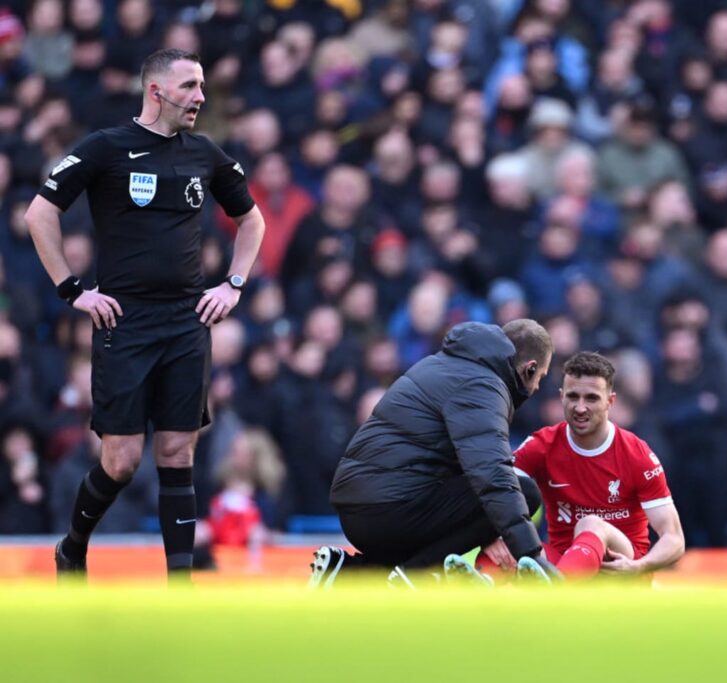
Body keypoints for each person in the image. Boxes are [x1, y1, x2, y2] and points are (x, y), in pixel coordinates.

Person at [25, 48, 265, 580]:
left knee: (178, 452)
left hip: (186, 319)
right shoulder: (106, 148)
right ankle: (72, 547)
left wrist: (234, 284)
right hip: (124, 321)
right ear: (156, 91)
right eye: (189, 86)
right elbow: (40, 213)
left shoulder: (204, 153)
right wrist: (73, 290)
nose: (200, 97)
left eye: (202, 85)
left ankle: (179, 585)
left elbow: (252, 221)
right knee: (122, 461)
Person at [310, 319, 556, 587]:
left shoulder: (445, 364)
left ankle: (348, 573)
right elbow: (493, 475)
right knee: (525, 492)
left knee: (496, 499)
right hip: (388, 508)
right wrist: (532, 556)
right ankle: (412, 576)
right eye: (540, 378)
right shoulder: (483, 385)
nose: (537, 389)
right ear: (529, 369)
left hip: (364, 505)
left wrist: (489, 531)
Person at [454, 351, 685, 582]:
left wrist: (639, 566)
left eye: (591, 398)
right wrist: (490, 536)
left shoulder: (637, 454)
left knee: (590, 523)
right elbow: (495, 488)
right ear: (562, 397)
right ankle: (478, 590)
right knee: (505, 543)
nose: (580, 407)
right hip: (565, 562)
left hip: (621, 570)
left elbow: (674, 539)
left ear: (610, 401)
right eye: (573, 397)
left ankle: (558, 591)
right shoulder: (542, 445)